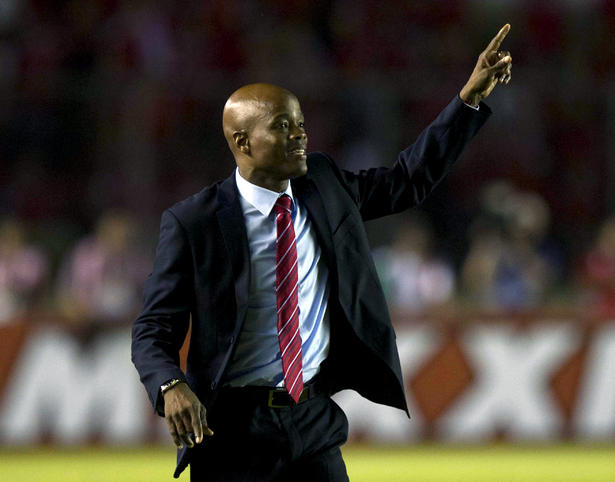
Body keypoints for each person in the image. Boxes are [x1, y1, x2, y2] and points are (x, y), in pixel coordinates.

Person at [131, 24, 513, 481]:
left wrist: (468, 100)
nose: (299, 135)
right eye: (282, 126)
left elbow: (407, 181)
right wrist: (170, 385)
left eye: (300, 124)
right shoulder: (194, 222)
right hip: (232, 431)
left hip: (312, 418)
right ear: (242, 141)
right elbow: (153, 327)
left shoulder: (324, 184)